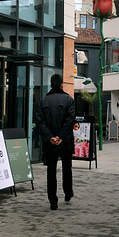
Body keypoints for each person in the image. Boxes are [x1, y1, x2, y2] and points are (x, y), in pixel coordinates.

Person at [34, 74, 76, 210]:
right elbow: (70, 120)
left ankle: (53, 200)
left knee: (51, 170)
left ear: (51, 85)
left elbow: (40, 121)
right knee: (67, 167)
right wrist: (61, 137)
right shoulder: (69, 100)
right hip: (65, 141)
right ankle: (68, 193)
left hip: (50, 142)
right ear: (62, 85)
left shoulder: (43, 101)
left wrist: (50, 137)